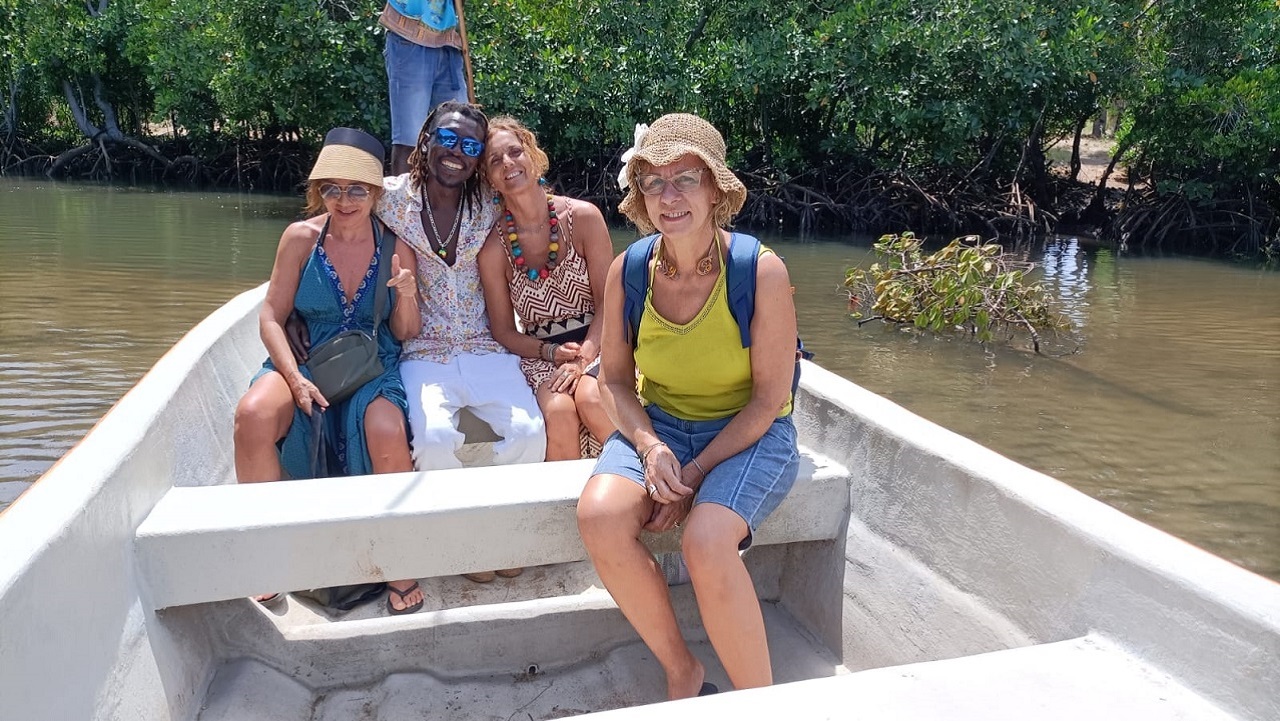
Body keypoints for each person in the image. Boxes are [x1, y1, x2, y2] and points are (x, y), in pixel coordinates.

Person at [576, 113, 801, 700]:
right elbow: (616, 383)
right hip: (663, 424)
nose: (668, 196)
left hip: (750, 432)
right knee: (600, 517)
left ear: (714, 189)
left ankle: (761, 705)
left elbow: (769, 400)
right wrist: (651, 449)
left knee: (705, 540)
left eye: (685, 179)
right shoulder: (629, 271)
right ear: (639, 195)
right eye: (654, 181)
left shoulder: (759, 270)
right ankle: (682, 669)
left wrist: (694, 475)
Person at [232, 127, 427, 615]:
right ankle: (265, 558)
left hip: (370, 364)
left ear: (376, 192)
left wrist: (405, 293)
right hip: (305, 358)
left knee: (386, 427)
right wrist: (294, 378)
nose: (345, 200)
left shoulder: (396, 245)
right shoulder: (300, 238)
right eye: (333, 189)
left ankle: (401, 566)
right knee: (253, 413)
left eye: (357, 189)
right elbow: (271, 317)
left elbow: (405, 332)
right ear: (320, 191)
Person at [376, 101, 546, 472]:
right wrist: (293, 305)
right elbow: (332, 213)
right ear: (425, 140)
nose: (457, 152)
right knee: (433, 441)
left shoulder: (490, 202)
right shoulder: (388, 198)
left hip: (486, 345)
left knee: (530, 433)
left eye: (471, 147)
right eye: (448, 138)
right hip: (423, 351)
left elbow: (540, 204)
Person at [477, 116, 616, 461]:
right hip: (541, 354)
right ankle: (566, 513)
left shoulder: (583, 218)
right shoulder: (493, 250)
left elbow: (611, 303)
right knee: (559, 411)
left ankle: (644, 485)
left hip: (600, 339)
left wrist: (584, 357)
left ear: (533, 155)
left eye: (515, 152)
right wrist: (551, 354)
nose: (508, 163)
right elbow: (504, 331)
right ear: (489, 179)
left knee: (590, 397)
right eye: (496, 161)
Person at [381, 0, 470, 175]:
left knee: (462, 131)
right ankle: (402, 201)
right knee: (409, 139)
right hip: (409, 35)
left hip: (447, 42)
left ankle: (455, 199)